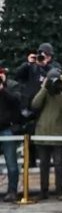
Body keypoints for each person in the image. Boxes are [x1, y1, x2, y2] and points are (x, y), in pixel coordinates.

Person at [31, 69, 62, 200]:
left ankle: (59, 191)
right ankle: (44, 191)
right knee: (43, 164)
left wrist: (58, 91)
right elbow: (35, 104)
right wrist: (44, 88)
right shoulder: (44, 93)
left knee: (58, 164)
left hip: (58, 134)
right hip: (42, 133)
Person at [0, 68, 22, 201]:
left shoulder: (13, 85)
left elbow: (16, 101)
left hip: (7, 128)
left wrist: (3, 89)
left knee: (11, 163)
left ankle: (12, 190)